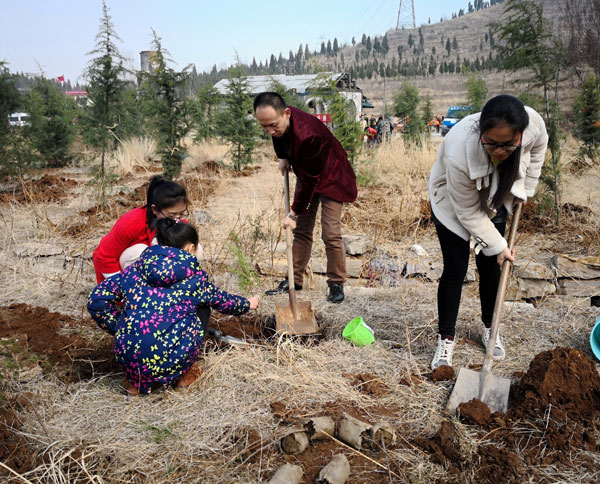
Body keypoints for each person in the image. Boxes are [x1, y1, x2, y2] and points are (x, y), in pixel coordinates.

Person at [429, 94, 548, 369]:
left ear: (520, 135)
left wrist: (527, 188)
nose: (499, 150)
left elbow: (540, 146)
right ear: (481, 132)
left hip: (496, 196)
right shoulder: (460, 150)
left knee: (491, 266)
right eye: (492, 143)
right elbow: (468, 213)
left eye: (508, 145)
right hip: (453, 200)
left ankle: (490, 329)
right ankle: (446, 339)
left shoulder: (533, 126)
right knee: (455, 268)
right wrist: (500, 245)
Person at [88, 218, 260, 395]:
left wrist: (120, 327)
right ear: (190, 248)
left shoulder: (134, 270)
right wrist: (247, 303)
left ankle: (134, 384)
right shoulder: (194, 277)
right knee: (202, 307)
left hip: (129, 358)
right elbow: (223, 301)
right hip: (172, 360)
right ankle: (183, 377)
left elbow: (97, 300)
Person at [253, 92, 358, 303]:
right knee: (302, 230)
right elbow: (278, 137)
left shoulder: (309, 135)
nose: (269, 131)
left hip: (331, 177)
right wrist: (283, 157)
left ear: (287, 113)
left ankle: (336, 283)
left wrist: (292, 213)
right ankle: (294, 280)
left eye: (272, 124)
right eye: (264, 127)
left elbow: (311, 182)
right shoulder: (278, 121)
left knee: (330, 233)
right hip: (308, 171)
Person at [92, 175, 194, 283]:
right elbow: (103, 257)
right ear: (154, 209)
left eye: (182, 213)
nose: (177, 219)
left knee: (192, 248)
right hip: (121, 274)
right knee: (141, 252)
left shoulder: (178, 220)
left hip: (155, 271)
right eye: (171, 215)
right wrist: (121, 287)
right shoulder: (132, 223)